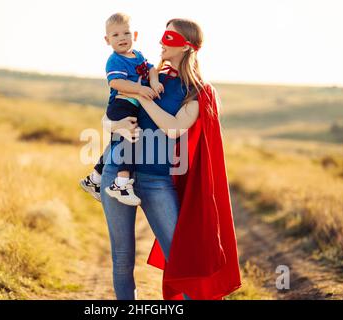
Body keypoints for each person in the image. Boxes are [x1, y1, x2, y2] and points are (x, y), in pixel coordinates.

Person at [100, 17, 242, 300]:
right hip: (117, 172)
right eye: (163, 36)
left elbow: (174, 127)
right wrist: (113, 125)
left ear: (187, 46)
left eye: (170, 38)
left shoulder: (197, 91)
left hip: (156, 179)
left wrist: (143, 98)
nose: (161, 42)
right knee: (122, 259)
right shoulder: (148, 76)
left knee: (182, 259)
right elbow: (110, 111)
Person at [80, 12, 164, 206]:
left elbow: (151, 68)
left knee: (117, 143)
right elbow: (116, 83)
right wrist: (141, 89)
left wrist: (154, 81)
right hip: (120, 105)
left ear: (134, 35)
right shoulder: (115, 60)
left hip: (131, 105)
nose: (122, 38)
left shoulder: (138, 55)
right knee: (132, 138)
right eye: (115, 35)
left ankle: (94, 179)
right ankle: (121, 183)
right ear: (107, 40)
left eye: (126, 33)